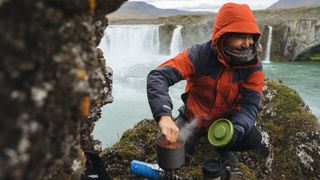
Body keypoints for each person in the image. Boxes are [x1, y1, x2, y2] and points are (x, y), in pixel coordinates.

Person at [147, 3, 264, 166]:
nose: (247, 43)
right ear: (223, 36)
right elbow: (158, 76)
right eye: (240, 37)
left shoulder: (253, 65)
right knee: (170, 150)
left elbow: (249, 105)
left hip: (224, 124)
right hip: (192, 120)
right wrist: (164, 116)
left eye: (251, 37)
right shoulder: (198, 55)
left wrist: (235, 130)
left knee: (253, 139)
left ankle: (222, 146)